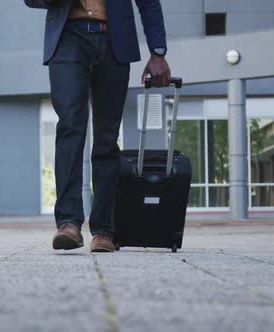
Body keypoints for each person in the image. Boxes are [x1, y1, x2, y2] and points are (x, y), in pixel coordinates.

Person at [24, 0, 171, 252]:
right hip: (68, 37)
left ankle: (104, 230)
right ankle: (68, 223)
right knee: (70, 126)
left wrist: (158, 52)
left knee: (106, 136)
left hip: (115, 39)